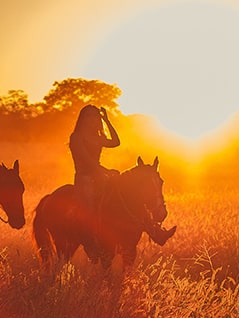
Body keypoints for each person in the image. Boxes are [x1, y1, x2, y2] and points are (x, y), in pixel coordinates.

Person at [68, 104, 176, 246]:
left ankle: (156, 232)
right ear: (83, 118)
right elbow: (88, 162)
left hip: (101, 177)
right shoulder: (76, 137)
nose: (93, 119)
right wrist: (106, 171)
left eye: (95, 116)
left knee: (130, 198)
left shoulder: (97, 137)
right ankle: (92, 242)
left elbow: (115, 142)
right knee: (89, 210)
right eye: (89, 116)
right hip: (85, 178)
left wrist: (106, 120)